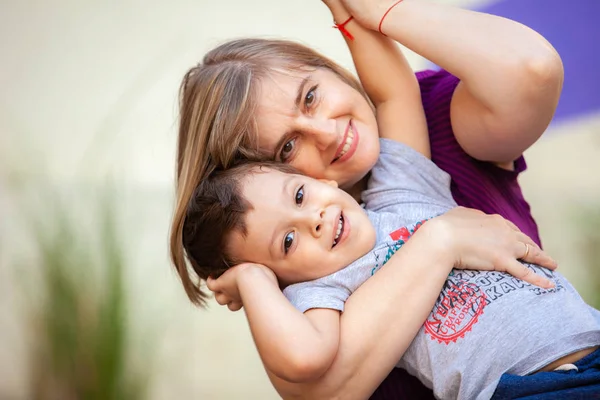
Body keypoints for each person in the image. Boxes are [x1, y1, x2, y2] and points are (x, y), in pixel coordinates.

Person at [179, 15, 599, 399]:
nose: (314, 221)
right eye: (287, 146)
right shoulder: (316, 286)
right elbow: (308, 370)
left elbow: (394, 93)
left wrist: (358, 10)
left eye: (311, 97)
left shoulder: (400, 187)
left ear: (312, 184)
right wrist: (255, 280)